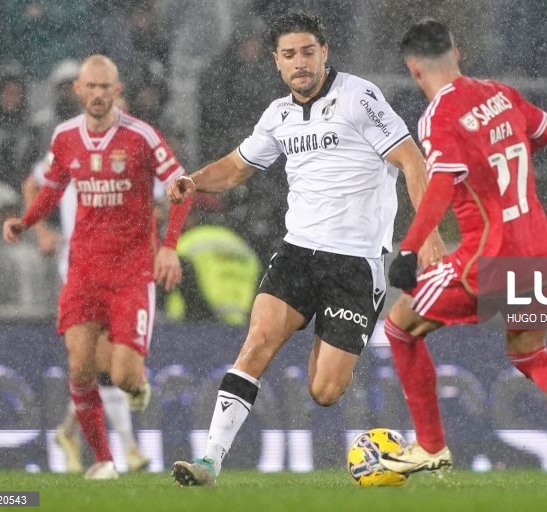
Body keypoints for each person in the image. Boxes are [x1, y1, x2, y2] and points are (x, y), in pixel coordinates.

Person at [166, 11, 445, 486]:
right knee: (257, 342)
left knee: (325, 390)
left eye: (308, 52)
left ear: (325, 53)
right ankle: (210, 460)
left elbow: (412, 161)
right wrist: (193, 181)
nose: (300, 63)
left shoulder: (360, 98)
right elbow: (236, 167)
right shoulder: (278, 115)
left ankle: (391, 446)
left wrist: (430, 233)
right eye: (290, 55)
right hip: (298, 252)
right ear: (276, 62)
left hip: (355, 265)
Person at [378, 19, 547, 487]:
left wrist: (409, 249)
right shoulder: (502, 93)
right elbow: (546, 133)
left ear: (413, 70)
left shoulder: (439, 117)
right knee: (528, 353)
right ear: (457, 52)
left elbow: (442, 183)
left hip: (487, 257)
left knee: (400, 327)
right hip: (542, 253)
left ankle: (429, 446)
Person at [3, 55, 191, 480]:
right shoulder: (65, 137)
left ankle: (137, 385)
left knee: (123, 375)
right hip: (83, 271)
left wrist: (168, 247)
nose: (99, 94)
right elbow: (51, 188)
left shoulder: (141, 137)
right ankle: (104, 460)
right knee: (80, 367)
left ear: (117, 90)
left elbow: (182, 186)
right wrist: (27, 221)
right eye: (92, 86)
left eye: (107, 87)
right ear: (78, 91)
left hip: (131, 273)